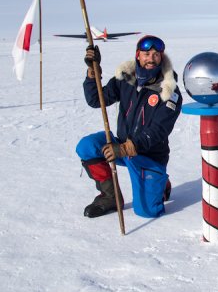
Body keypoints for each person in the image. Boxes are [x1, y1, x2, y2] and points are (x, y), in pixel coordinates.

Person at [76, 35, 182, 219]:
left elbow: (158, 131)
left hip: (148, 156)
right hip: (121, 146)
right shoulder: (125, 79)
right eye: (146, 53)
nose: (151, 58)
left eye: (156, 54)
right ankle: (110, 197)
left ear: (162, 58)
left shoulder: (169, 91)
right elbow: (96, 100)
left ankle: (160, 184)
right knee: (87, 146)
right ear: (138, 55)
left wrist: (125, 148)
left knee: (147, 211)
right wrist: (93, 71)